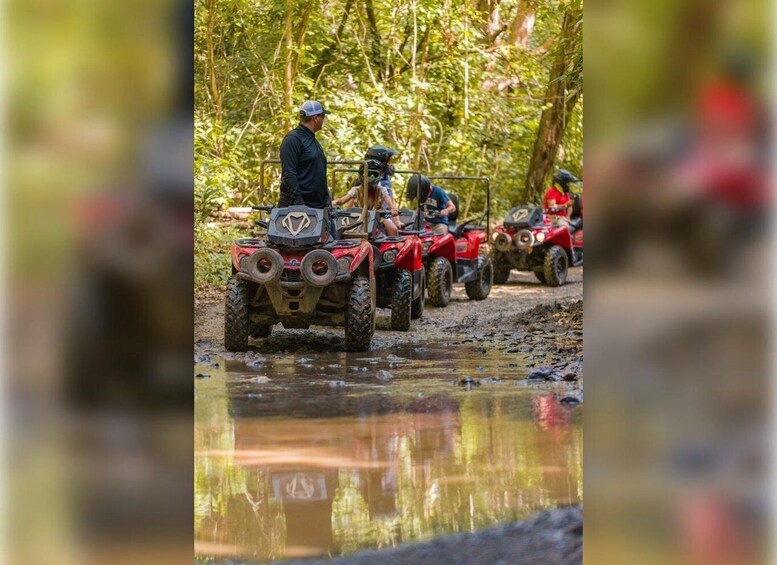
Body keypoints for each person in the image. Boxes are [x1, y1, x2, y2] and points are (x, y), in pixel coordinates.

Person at [332, 151, 402, 236]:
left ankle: (392, 248)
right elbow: (341, 201)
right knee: (339, 229)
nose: (371, 177)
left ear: (379, 175)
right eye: (369, 173)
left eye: (374, 174)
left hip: (379, 218)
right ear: (362, 174)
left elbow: (394, 210)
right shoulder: (355, 190)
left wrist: (384, 214)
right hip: (358, 218)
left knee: (393, 229)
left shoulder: (382, 190)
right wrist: (331, 203)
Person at [278, 100, 331, 208]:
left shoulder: (312, 140)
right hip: (297, 209)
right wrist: (299, 204)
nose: (323, 120)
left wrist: (326, 200)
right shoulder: (293, 139)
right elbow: (289, 173)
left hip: (316, 207)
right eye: (323, 116)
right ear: (316, 118)